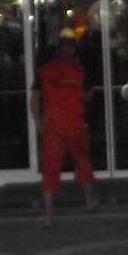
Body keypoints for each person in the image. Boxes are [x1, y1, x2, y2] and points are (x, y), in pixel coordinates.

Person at [30, 29, 99, 226]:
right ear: (73, 51)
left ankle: (48, 215)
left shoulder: (45, 71)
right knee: (82, 161)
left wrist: (38, 122)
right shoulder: (79, 71)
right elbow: (87, 96)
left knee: (51, 168)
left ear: (57, 51)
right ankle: (89, 201)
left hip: (52, 124)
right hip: (74, 123)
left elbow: (34, 101)